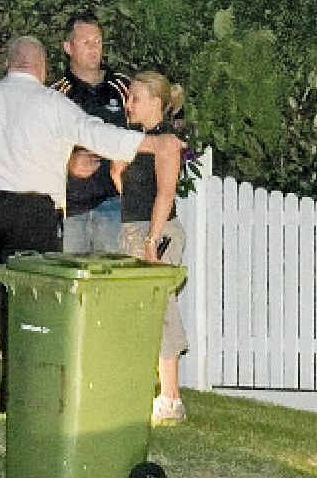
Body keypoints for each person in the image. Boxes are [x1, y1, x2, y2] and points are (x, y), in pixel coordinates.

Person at [0, 36, 183, 408]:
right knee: (30, 304)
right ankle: (18, 400)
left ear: (10, 62)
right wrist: (149, 145)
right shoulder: (51, 103)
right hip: (33, 212)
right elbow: (96, 134)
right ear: (42, 66)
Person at [112, 71, 189, 425]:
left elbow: (165, 194)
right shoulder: (136, 141)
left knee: (159, 310)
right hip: (133, 231)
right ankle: (145, 390)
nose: (128, 105)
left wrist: (151, 242)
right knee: (137, 313)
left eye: (136, 98)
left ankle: (170, 398)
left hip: (157, 233)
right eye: (128, 98)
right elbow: (123, 185)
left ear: (157, 103)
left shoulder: (167, 143)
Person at [51, 12, 129, 253]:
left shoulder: (124, 88)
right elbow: (35, 147)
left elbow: (147, 136)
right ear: (68, 47)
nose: (94, 48)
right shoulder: (55, 94)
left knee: (111, 284)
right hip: (71, 209)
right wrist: (68, 163)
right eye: (86, 43)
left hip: (114, 206)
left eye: (98, 42)